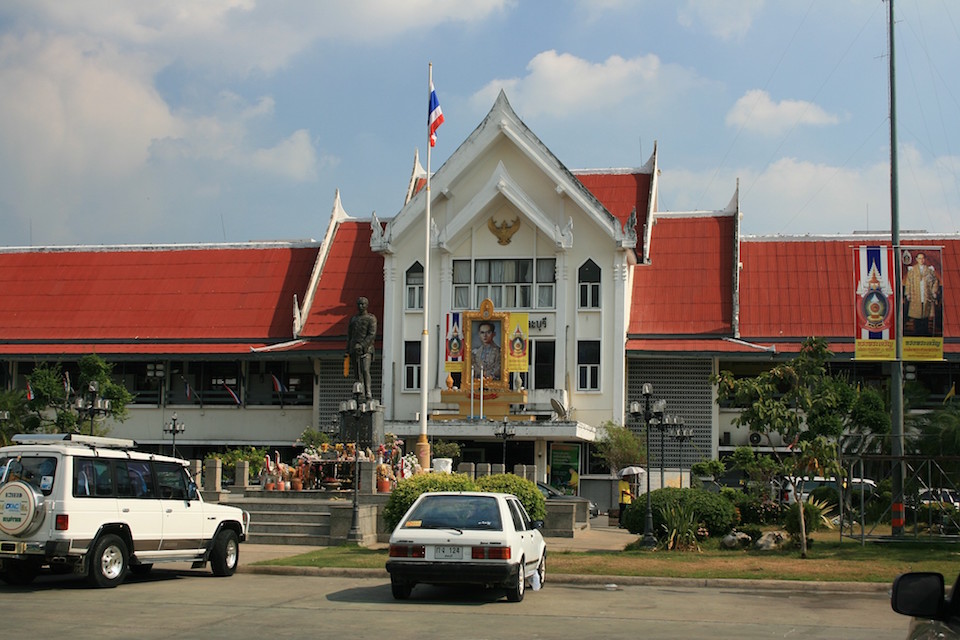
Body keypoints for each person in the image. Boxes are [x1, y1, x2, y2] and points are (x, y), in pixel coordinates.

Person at [346, 296, 377, 400]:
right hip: (354, 349)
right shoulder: (353, 319)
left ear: (367, 305)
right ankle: (359, 392)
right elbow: (350, 335)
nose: (361, 306)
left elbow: (371, 335)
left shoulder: (371, 319)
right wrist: (348, 349)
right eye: (359, 304)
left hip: (366, 350)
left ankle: (368, 392)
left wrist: (362, 345)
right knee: (357, 373)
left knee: (365, 369)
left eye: (363, 304)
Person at [904, 252, 940, 336]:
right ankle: (917, 332)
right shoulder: (912, 270)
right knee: (917, 315)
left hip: (926, 294)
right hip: (916, 294)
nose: (921, 260)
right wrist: (908, 293)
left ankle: (925, 332)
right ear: (916, 259)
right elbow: (908, 282)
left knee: (925, 314)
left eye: (923, 258)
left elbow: (935, 281)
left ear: (925, 259)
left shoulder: (929, 270)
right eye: (919, 258)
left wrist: (934, 291)